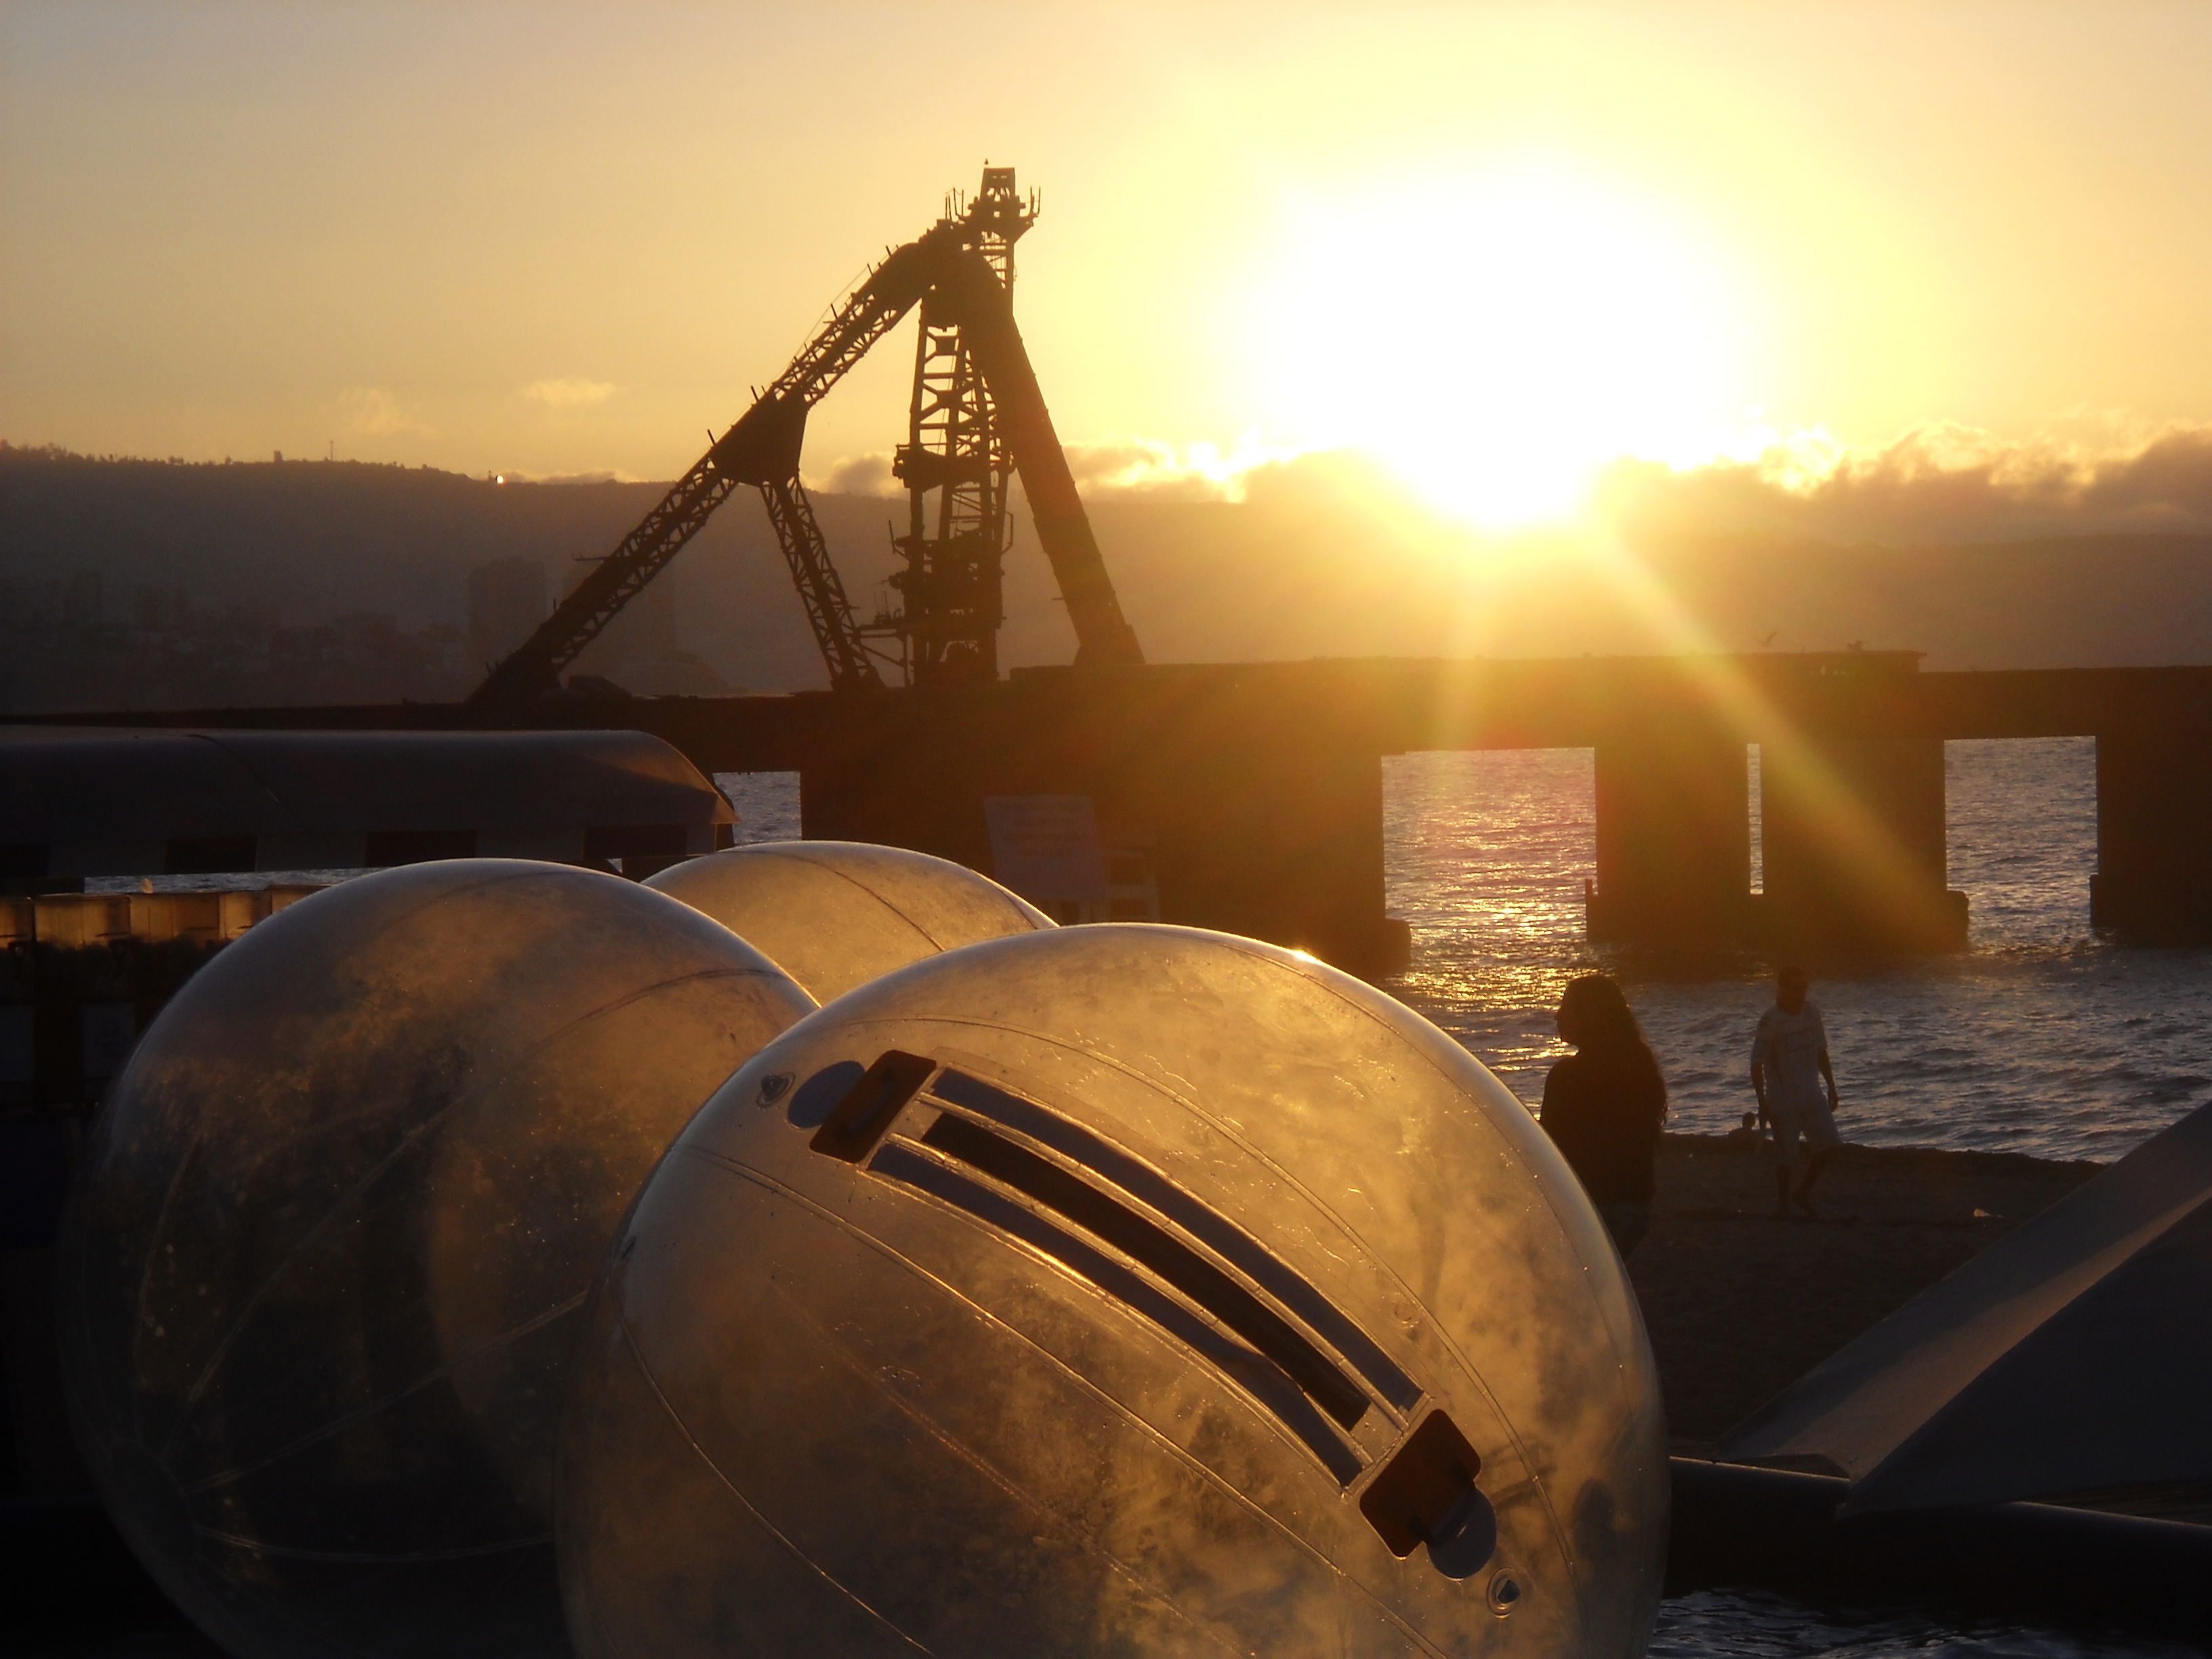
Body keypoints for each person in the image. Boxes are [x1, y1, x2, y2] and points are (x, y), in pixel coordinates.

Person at [1540, 973, 1668, 1254]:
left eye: (1566, 1008)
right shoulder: (1639, 1065)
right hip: (1636, 1204)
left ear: (1589, 1016)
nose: (1557, 1016)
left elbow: (1549, 1149)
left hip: (1591, 1206)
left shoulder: (1568, 1076)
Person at [1750, 964, 1842, 1217]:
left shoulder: (1812, 1013)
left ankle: (1803, 1192)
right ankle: (1783, 1206)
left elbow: (1821, 1051)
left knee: (1830, 1145)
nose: (1801, 993)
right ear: (1781, 989)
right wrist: (1762, 1101)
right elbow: (1756, 1063)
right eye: (1795, 988)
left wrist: (1832, 1085)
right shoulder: (1770, 1021)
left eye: (1804, 987)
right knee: (1786, 1157)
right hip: (1783, 1099)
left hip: (1812, 1093)